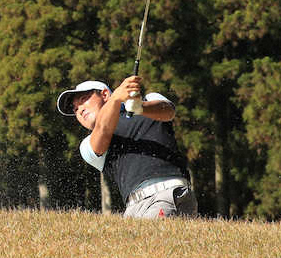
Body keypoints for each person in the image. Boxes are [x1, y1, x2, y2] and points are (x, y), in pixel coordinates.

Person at [57, 76, 197, 218]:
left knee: (149, 239)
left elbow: (168, 111)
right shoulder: (87, 144)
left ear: (105, 94)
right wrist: (116, 99)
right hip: (132, 210)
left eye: (83, 100)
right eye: (75, 109)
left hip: (166, 194)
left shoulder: (150, 100)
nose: (80, 110)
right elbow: (103, 132)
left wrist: (139, 107)